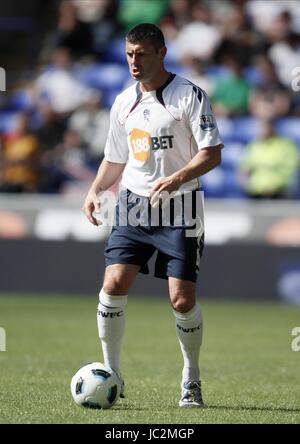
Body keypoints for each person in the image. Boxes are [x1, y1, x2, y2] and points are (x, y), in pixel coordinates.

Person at [82, 23, 223, 408]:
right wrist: (95, 190)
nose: (134, 62)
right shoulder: (123, 102)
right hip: (132, 203)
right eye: (129, 54)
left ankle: (191, 379)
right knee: (113, 284)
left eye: (141, 54)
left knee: (180, 299)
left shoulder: (189, 96)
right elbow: (115, 157)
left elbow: (212, 153)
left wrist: (176, 178)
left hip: (181, 206)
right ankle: (112, 373)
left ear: (161, 53)